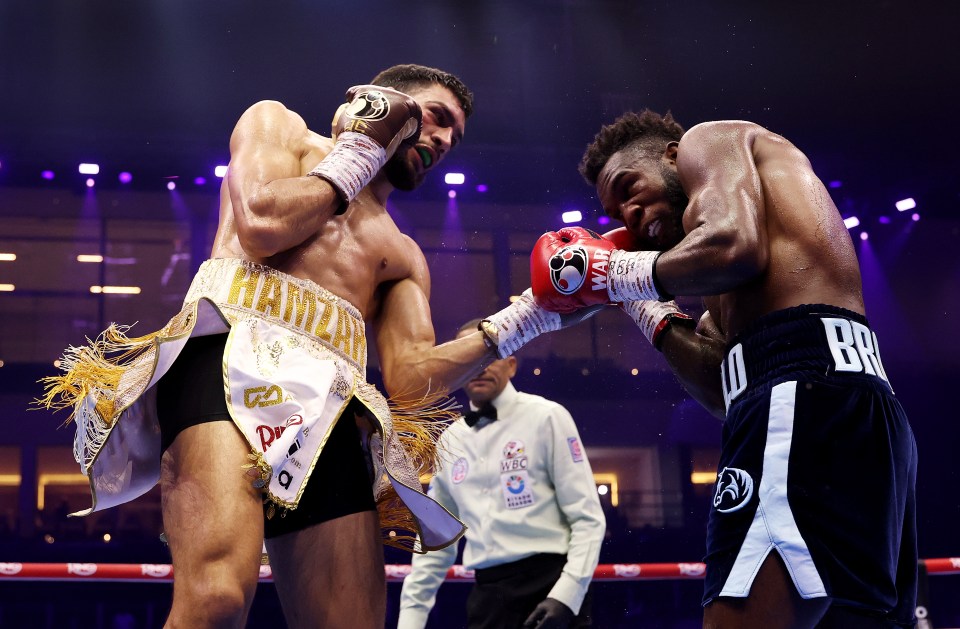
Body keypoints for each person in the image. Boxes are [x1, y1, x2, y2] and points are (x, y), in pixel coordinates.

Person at [40, 64, 589, 628]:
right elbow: (261, 223)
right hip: (227, 359)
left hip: (332, 410)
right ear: (382, 102)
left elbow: (408, 379)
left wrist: (528, 317)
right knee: (216, 603)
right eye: (437, 118)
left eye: (455, 136)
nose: (445, 140)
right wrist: (358, 154)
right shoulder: (280, 127)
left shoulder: (401, 253)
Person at [530, 111, 917, 628]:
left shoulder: (710, 139)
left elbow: (733, 245)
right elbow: (721, 391)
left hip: (801, 401)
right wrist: (642, 304)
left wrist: (614, 272)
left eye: (629, 187)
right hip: (836, 403)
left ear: (670, 155)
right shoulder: (733, 293)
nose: (629, 212)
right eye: (617, 211)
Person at [398, 319, 606, 629]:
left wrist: (566, 595)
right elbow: (436, 542)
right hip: (489, 597)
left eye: (488, 357)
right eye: (468, 360)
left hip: (551, 581)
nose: (478, 368)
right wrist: (409, 623)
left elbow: (588, 518)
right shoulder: (450, 440)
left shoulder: (546, 417)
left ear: (510, 365)